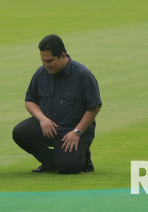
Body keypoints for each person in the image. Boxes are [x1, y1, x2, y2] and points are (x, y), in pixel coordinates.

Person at [12, 34, 101, 174]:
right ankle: (50, 162)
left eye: (50, 61)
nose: (46, 65)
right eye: (43, 60)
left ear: (63, 55)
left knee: (68, 168)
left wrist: (77, 132)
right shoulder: (41, 73)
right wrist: (42, 119)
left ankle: (84, 157)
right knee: (20, 132)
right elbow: (30, 101)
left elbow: (94, 107)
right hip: (49, 126)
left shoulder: (83, 75)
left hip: (73, 130)